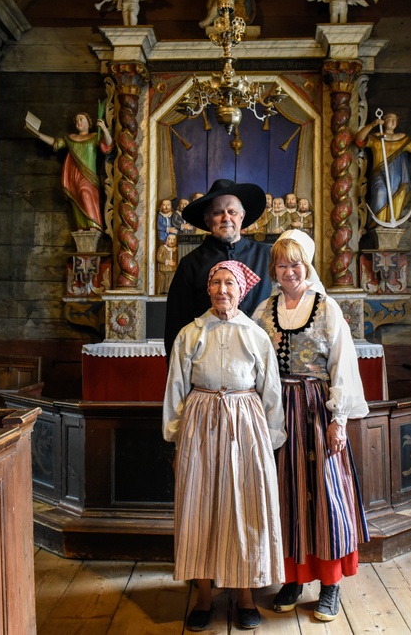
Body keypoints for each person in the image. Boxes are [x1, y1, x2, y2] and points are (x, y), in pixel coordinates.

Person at [254, 229, 370, 623]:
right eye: (282, 264)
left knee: (324, 492)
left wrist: (339, 420)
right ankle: (292, 579)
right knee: (285, 493)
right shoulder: (264, 311)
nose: (289, 271)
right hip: (277, 412)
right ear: (275, 268)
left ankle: (330, 584)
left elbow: (342, 366)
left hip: (316, 411)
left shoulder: (326, 309)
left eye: (296, 263)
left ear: (308, 264)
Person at [164, 260, 285, 631]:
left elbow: (271, 391)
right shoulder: (190, 333)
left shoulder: (255, 335)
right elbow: (175, 388)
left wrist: (271, 441)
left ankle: (245, 595)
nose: (222, 290)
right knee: (200, 506)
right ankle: (203, 595)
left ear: (242, 289)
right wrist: (176, 435)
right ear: (208, 290)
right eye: (215, 283)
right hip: (200, 422)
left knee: (244, 506)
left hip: (245, 423)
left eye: (229, 283)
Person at [163, 178, 272, 357]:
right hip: (207, 362)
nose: (226, 218)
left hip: (259, 359)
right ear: (207, 219)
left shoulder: (266, 256)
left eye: (232, 211)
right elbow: (177, 324)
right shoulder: (190, 264)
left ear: (242, 217)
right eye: (218, 212)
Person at [28, 111, 113, 231]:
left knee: (85, 194)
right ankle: (81, 228)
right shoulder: (71, 138)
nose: (78, 122)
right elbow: (55, 143)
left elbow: (108, 146)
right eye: (77, 120)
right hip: (73, 176)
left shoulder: (94, 137)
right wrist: (38, 134)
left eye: (81, 119)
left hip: (88, 176)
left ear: (89, 123)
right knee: (75, 200)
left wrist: (104, 129)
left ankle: (94, 227)